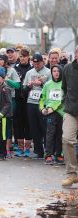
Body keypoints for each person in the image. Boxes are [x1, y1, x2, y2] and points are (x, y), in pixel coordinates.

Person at [23, 54, 51, 159]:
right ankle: (38, 151)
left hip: (43, 103)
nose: (36, 65)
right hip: (31, 102)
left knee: (44, 127)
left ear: (42, 62)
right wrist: (28, 86)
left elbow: (51, 88)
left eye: (38, 63)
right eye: (34, 63)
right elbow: (23, 90)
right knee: (34, 127)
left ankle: (48, 150)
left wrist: (41, 84)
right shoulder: (29, 73)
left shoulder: (48, 72)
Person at [39, 65, 64, 165]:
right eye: (54, 71)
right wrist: (42, 109)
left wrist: (53, 107)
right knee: (50, 133)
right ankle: (48, 155)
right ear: (51, 72)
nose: (56, 73)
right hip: (49, 113)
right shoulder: (47, 84)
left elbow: (63, 99)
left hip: (61, 112)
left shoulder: (64, 84)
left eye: (58, 71)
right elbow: (42, 98)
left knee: (60, 134)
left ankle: (59, 154)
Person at [61, 45, 78, 187]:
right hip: (71, 110)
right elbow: (64, 88)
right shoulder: (67, 68)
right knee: (67, 139)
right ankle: (72, 174)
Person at [14, 48, 33, 157]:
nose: (22, 58)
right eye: (21, 56)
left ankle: (27, 148)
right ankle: (20, 148)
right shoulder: (15, 68)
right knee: (18, 124)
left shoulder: (31, 68)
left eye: (24, 56)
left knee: (28, 123)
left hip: (29, 99)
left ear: (28, 57)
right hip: (18, 99)